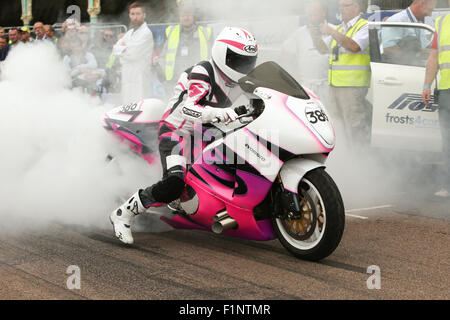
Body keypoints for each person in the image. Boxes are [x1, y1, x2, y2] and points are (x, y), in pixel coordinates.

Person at [110, 26, 258, 244]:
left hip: (208, 131)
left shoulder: (238, 79)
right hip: (177, 131)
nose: (243, 66)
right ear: (221, 53)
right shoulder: (203, 72)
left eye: (248, 61)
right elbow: (190, 108)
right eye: (237, 60)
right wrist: (225, 113)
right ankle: (123, 213)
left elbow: (259, 96)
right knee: (174, 183)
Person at [317, 0, 371, 149]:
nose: (341, 9)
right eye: (340, 6)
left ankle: (359, 159)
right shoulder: (340, 28)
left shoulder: (364, 26)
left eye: (345, 6)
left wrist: (332, 32)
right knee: (337, 126)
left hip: (353, 86)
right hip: (335, 85)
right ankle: (344, 159)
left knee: (354, 127)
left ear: (356, 7)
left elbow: (354, 46)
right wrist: (315, 33)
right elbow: (322, 48)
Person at [281, 0, 333, 104]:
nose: (311, 16)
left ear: (323, 13)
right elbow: (286, 52)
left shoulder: (333, 31)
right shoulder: (299, 33)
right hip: (305, 85)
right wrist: (294, 74)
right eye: (309, 14)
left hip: (328, 86)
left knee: (330, 115)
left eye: (314, 13)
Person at [422, 11, 450, 197]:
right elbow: (434, 56)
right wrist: (427, 84)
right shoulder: (442, 22)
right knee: (448, 141)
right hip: (447, 90)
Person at [160, 3, 212, 89]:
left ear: (193, 17)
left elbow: (210, 57)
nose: (186, 18)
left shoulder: (205, 33)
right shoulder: (171, 32)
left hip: (198, 79)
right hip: (174, 81)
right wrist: (164, 78)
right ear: (179, 17)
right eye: (183, 15)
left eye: (188, 15)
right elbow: (162, 57)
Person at [112, 1, 154, 104]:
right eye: (132, 14)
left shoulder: (146, 33)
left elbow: (134, 54)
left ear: (144, 15)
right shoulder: (130, 33)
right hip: (127, 75)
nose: (135, 17)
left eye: (138, 14)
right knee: (127, 104)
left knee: (139, 104)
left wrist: (123, 48)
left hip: (140, 75)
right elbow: (115, 49)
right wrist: (125, 49)